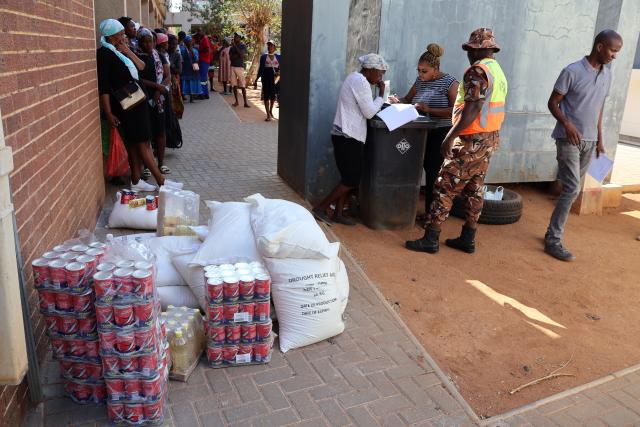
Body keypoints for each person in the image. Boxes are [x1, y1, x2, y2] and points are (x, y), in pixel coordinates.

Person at [406, 28, 508, 254]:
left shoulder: (477, 71)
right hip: (489, 139)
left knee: (444, 187)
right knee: (474, 188)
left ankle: (431, 238)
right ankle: (468, 238)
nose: (469, 54)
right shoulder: (497, 71)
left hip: (470, 138)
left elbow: (472, 108)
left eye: (471, 49)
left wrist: (450, 136)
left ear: (481, 49)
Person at [543, 30, 623, 261]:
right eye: (612, 50)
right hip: (568, 139)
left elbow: (598, 109)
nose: (614, 56)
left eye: (618, 52)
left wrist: (600, 140)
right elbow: (553, 102)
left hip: (590, 141)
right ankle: (553, 240)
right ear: (599, 47)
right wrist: (567, 124)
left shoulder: (606, 74)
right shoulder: (572, 71)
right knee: (572, 188)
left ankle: (552, 233)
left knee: (571, 189)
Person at [312, 53, 388, 226]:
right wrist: (381, 95)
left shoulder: (356, 79)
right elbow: (369, 112)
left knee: (348, 177)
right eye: (380, 73)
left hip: (348, 135)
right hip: (348, 136)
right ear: (370, 69)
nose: (381, 77)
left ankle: (338, 213)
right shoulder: (361, 82)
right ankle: (321, 208)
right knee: (351, 179)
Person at [389, 43, 459, 220]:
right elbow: (408, 98)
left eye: (424, 71)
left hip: (440, 133)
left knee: (434, 172)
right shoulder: (420, 81)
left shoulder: (450, 82)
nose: (420, 75)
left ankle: (432, 214)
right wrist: (397, 100)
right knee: (413, 167)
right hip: (419, 133)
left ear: (436, 69)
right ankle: (411, 209)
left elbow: (458, 110)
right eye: (418, 70)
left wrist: (430, 109)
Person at [96, 19, 164, 191]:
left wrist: (127, 51)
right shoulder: (104, 54)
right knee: (143, 143)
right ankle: (162, 181)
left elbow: (141, 67)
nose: (124, 37)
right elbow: (103, 86)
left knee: (135, 142)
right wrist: (108, 112)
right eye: (120, 34)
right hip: (127, 104)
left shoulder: (120, 51)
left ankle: (135, 180)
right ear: (111, 37)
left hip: (137, 101)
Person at [138, 28, 171, 176]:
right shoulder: (138, 58)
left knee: (160, 131)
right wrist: (156, 86)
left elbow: (168, 76)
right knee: (147, 133)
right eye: (144, 42)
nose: (147, 44)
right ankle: (146, 166)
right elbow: (138, 79)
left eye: (149, 41)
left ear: (154, 42)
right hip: (144, 99)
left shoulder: (161, 56)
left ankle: (161, 163)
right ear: (140, 43)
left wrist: (159, 90)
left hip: (160, 99)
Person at [254, 40, 280, 121]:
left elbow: (281, 68)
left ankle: (270, 111)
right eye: (268, 45)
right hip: (266, 79)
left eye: (271, 45)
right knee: (266, 96)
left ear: (274, 47)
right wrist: (256, 80)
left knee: (273, 96)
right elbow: (260, 69)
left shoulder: (279, 57)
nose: (269, 47)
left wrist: (278, 72)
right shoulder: (263, 57)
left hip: (275, 79)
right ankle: (268, 115)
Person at [229, 32, 250, 108]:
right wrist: (237, 54)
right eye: (235, 37)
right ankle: (236, 102)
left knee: (243, 85)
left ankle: (245, 103)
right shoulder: (231, 47)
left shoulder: (242, 45)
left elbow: (242, 55)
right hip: (232, 67)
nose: (235, 38)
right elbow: (230, 58)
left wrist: (236, 48)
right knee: (234, 85)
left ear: (239, 38)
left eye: (237, 37)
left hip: (240, 67)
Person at [180, 35, 201, 103]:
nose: (189, 43)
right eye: (188, 41)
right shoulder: (182, 50)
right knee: (185, 83)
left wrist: (192, 51)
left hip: (193, 69)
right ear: (185, 42)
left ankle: (192, 98)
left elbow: (197, 59)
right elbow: (181, 59)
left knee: (192, 83)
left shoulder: (194, 50)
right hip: (185, 69)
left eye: (190, 41)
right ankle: (183, 96)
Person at [168, 34, 184, 119]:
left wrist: (171, 65)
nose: (174, 46)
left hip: (174, 81)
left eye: (175, 44)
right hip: (166, 80)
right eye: (172, 44)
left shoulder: (177, 55)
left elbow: (179, 71)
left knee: (175, 99)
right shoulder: (164, 53)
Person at [194, 28, 212, 99]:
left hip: (204, 60)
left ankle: (202, 94)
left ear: (202, 32)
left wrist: (199, 49)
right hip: (204, 60)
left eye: (199, 33)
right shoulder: (203, 39)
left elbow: (207, 49)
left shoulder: (205, 39)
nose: (198, 35)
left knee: (202, 78)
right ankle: (205, 94)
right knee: (203, 78)